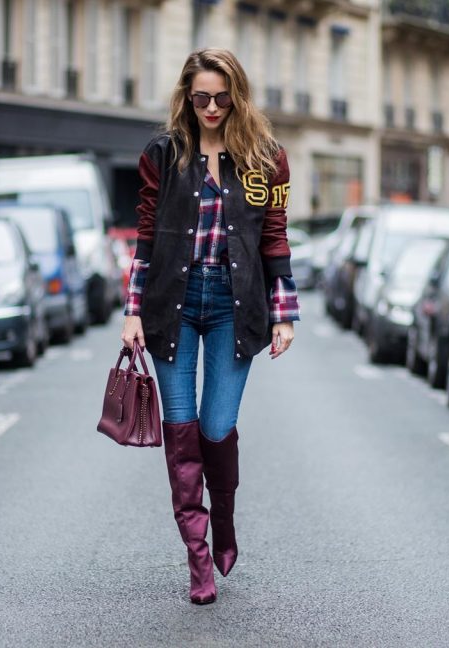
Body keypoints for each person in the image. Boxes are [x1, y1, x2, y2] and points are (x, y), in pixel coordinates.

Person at [120, 48, 300, 605]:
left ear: (237, 96)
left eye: (223, 97)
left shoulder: (269, 160)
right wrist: (132, 309)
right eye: (202, 97)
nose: (213, 107)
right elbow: (145, 236)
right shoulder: (162, 155)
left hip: (233, 306)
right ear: (187, 97)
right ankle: (198, 561)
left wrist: (284, 313)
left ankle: (223, 515)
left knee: (217, 428)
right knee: (181, 436)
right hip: (172, 304)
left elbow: (275, 236)